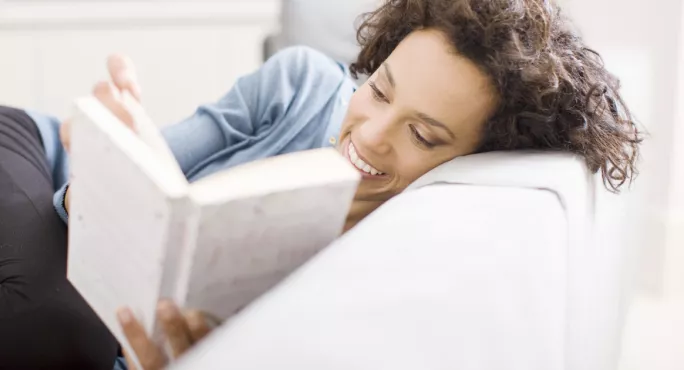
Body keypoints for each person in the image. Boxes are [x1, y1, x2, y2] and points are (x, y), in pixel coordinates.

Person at [0, 0, 642, 369]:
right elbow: (89, 195)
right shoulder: (303, 86)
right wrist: (110, 162)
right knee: (48, 323)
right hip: (28, 153)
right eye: (379, 89)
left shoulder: (393, 251)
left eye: (422, 136)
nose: (368, 134)